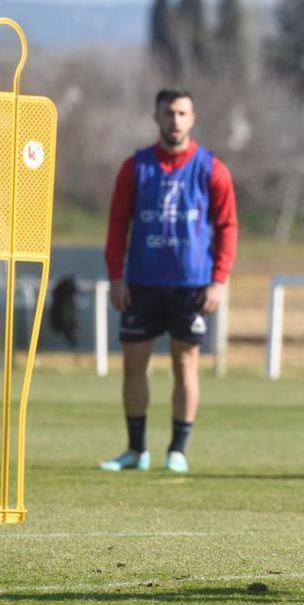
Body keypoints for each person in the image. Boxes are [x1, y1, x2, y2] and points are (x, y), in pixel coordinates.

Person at [99, 88, 238, 474]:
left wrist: (218, 280)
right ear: (155, 117)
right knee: (133, 365)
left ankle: (177, 450)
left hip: (191, 284)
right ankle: (135, 450)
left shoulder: (212, 169)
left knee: (185, 364)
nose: (174, 120)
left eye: (181, 113)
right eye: (168, 113)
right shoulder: (136, 167)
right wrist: (116, 276)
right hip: (141, 282)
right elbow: (116, 224)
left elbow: (227, 227)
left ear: (192, 119)